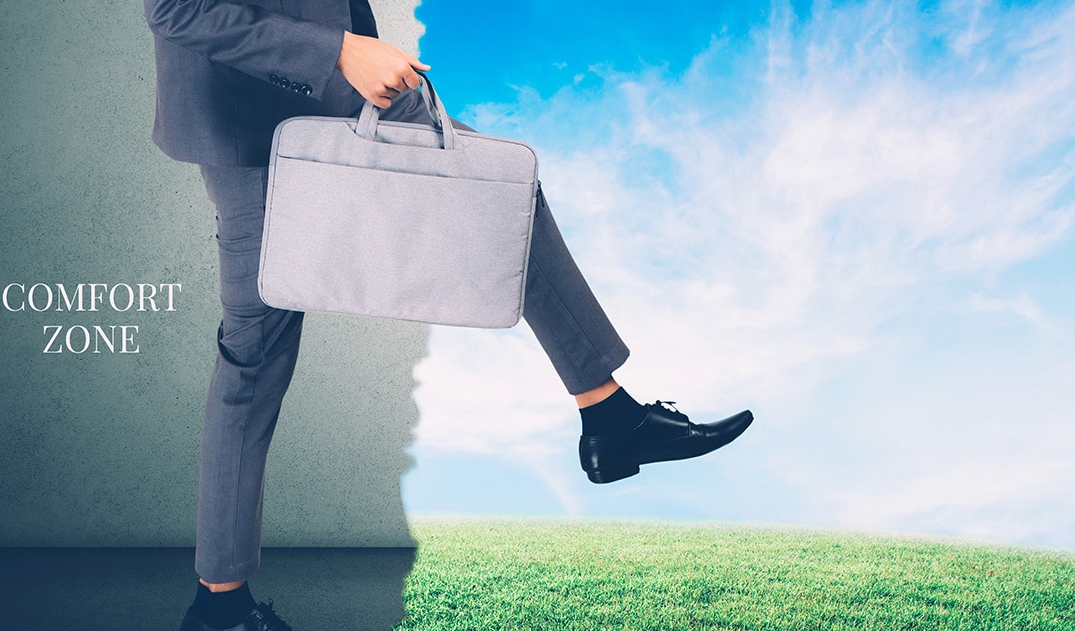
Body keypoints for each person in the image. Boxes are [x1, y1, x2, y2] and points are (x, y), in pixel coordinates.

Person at [143, 1, 754, 629]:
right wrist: (334, 51)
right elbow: (177, 10)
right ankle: (221, 603)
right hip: (251, 106)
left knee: (499, 191)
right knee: (254, 353)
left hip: (347, 80)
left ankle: (609, 413)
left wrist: (348, 49)